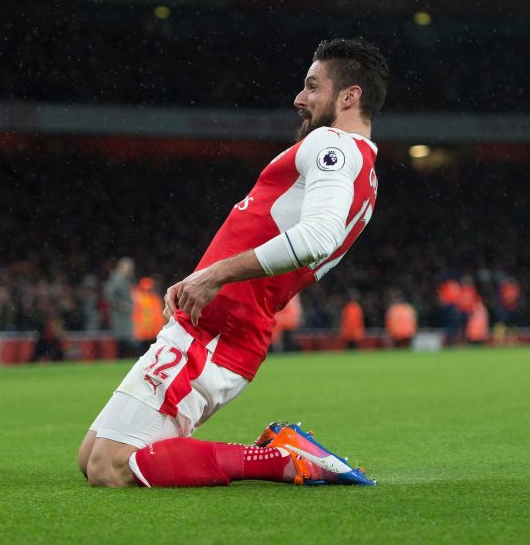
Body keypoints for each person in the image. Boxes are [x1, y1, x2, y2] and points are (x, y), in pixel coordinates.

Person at [78, 38, 388, 489]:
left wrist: (214, 274)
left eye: (311, 87)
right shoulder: (366, 175)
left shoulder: (333, 143)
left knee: (109, 468)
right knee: (89, 456)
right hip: (219, 326)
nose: (299, 99)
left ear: (349, 96)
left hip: (218, 331)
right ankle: (272, 456)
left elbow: (318, 237)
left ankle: (280, 459)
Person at [104, 257, 136, 358]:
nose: (129, 271)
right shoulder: (117, 279)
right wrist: (120, 304)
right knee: (122, 339)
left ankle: (124, 358)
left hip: (125, 314)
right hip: (120, 314)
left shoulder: (124, 279)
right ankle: (122, 357)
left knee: (125, 339)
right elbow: (108, 295)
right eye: (128, 268)